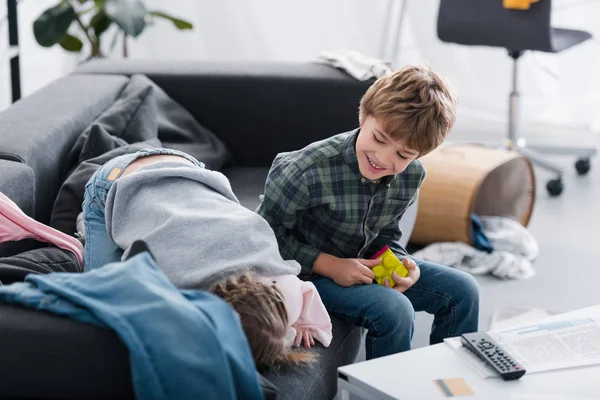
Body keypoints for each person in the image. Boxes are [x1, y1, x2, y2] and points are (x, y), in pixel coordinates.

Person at [0, 148, 333, 368]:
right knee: (97, 293)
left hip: (188, 168)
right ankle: (78, 239)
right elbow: (122, 283)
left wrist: (300, 322)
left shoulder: (285, 287)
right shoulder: (169, 282)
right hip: (118, 180)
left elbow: (307, 298)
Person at [256, 65, 480, 360]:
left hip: (362, 267)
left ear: (418, 155)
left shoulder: (411, 175)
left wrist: (401, 263)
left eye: (402, 155)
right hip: (309, 275)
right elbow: (263, 239)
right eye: (380, 139)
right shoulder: (305, 169)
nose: (383, 159)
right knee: (394, 310)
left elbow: (386, 234)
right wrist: (330, 265)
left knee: (464, 290)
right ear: (364, 116)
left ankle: (452, 383)